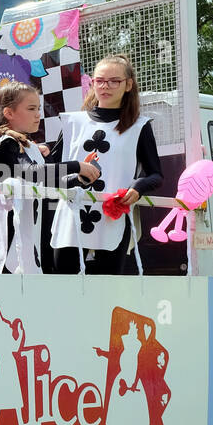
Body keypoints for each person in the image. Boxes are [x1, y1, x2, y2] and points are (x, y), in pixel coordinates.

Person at [0, 82, 91, 274]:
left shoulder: (29, 146)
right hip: (15, 250)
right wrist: (76, 165)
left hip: (40, 241)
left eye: (38, 108)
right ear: (9, 113)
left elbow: (52, 185)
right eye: (31, 109)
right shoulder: (5, 145)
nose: (38, 114)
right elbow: (31, 172)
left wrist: (80, 178)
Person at [47, 54, 161, 275]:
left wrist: (137, 188)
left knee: (106, 293)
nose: (105, 86)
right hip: (70, 217)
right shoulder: (73, 122)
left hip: (113, 220)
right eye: (99, 80)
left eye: (114, 81)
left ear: (128, 85)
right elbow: (53, 169)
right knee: (63, 289)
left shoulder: (139, 126)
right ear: (92, 83)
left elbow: (155, 174)